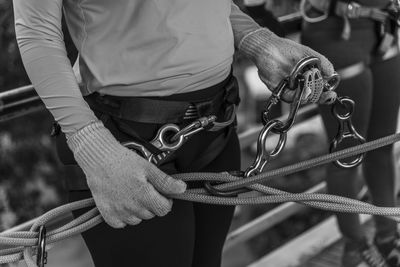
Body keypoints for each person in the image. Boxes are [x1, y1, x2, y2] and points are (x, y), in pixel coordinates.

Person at [12, 0, 334, 266]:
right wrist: (90, 144)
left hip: (216, 126)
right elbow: (37, 34)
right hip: (124, 144)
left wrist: (259, 42)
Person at [300, 0, 400, 266]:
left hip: (382, 28)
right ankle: (355, 244)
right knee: (347, 156)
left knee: (383, 145)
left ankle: (388, 238)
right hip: (334, 33)